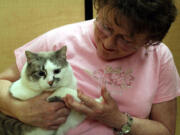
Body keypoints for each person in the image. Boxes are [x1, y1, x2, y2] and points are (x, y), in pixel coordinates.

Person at [0, 0, 179, 135]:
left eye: (126, 40)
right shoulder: (60, 41)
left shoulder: (159, 57)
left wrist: (116, 119)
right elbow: (2, 81)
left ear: (148, 41)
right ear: (100, 9)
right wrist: (19, 109)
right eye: (106, 27)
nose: (108, 43)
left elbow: (165, 131)